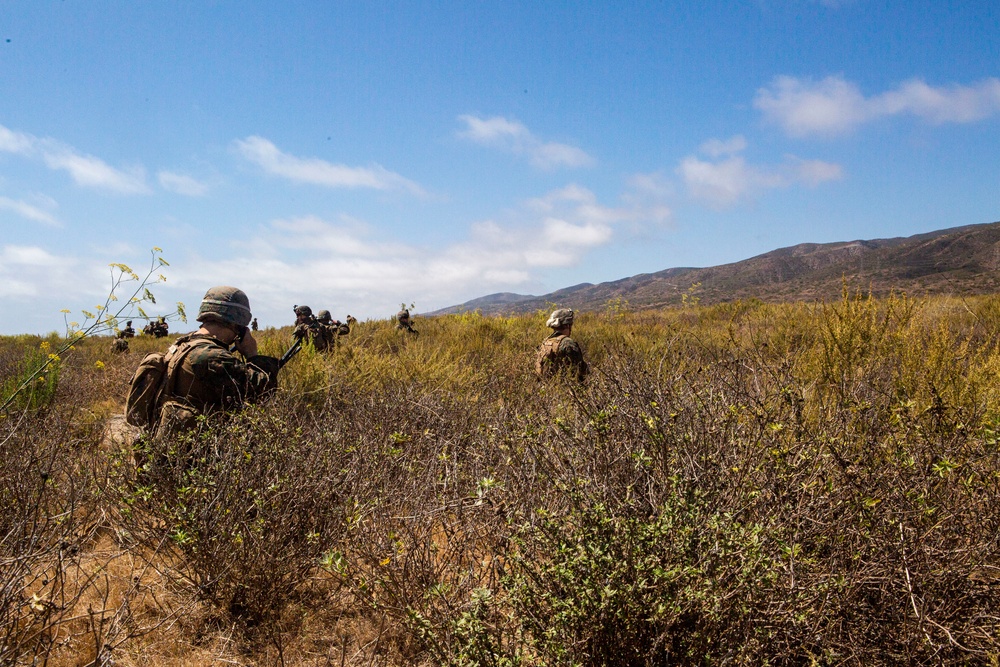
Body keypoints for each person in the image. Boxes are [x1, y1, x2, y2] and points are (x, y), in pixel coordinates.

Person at [154, 286, 280, 437]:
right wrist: (252, 354)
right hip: (195, 454)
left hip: (169, 445)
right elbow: (262, 391)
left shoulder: (182, 345)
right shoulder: (211, 356)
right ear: (237, 325)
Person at [535, 308, 588, 382]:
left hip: (546, 387)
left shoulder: (546, 342)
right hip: (564, 388)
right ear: (567, 325)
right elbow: (579, 371)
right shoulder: (568, 343)